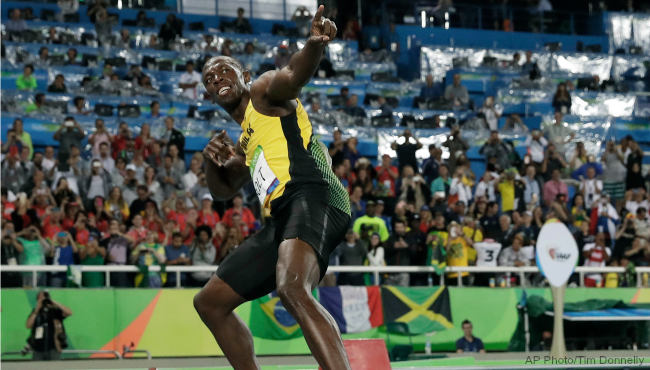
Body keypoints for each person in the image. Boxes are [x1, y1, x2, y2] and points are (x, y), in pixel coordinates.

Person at [193, 9, 353, 369]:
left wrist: (313, 44)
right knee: (210, 303)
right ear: (209, 96)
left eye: (223, 70)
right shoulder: (245, 142)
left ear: (244, 76)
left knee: (293, 288)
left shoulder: (264, 93)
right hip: (282, 217)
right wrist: (208, 162)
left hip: (316, 194)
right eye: (209, 78)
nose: (216, 76)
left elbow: (294, 75)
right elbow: (223, 191)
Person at [26, 291, 73, 361]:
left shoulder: (55, 311)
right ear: (37, 300)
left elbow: (69, 312)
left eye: (45, 298)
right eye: (41, 299)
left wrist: (55, 302)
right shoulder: (35, 313)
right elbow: (28, 325)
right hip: (38, 348)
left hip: (54, 347)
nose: (44, 300)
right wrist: (36, 309)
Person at [384, 220, 415, 286]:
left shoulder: (410, 238)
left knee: (402, 294)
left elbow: (415, 254)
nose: (398, 229)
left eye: (400, 227)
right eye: (397, 227)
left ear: (405, 228)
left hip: (403, 273)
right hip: (391, 272)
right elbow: (385, 251)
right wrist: (393, 247)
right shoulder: (391, 239)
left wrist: (406, 246)